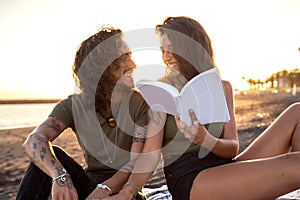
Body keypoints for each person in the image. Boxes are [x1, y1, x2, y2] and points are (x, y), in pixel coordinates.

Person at [106, 16, 300, 200]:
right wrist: (126, 193)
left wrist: (205, 139)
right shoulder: (162, 91)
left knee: (296, 112)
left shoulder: (222, 87)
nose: (167, 56)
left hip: (225, 166)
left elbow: (232, 147)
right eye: (163, 50)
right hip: (192, 178)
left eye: (172, 49)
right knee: (296, 164)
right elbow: (151, 154)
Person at [16, 25, 150, 200]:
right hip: (88, 184)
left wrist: (105, 189)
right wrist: (61, 177)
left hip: (126, 192)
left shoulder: (139, 103)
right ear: (103, 64)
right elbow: (33, 141)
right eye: (124, 57)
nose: (133, 64)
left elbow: (136, 162)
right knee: (44, 159)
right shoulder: (73, 105)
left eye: (130, 56)